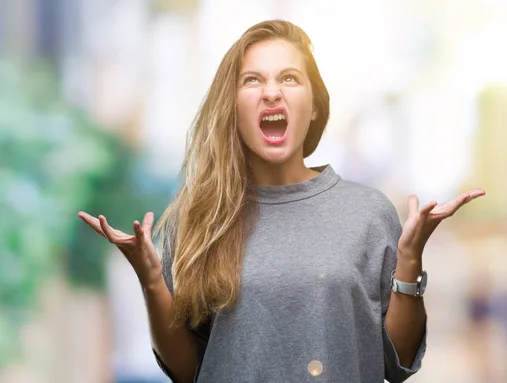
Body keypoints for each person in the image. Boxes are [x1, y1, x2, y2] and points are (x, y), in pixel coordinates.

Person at [78, 19, 485, 382]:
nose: (271, 92)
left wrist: (410, 258)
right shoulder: (200, 218)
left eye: (289, 78)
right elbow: (186, 370)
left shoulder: (368, 213)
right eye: (252, 80)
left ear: (313, 108)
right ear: (233, 108)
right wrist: (151, 279)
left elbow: (398, 364)